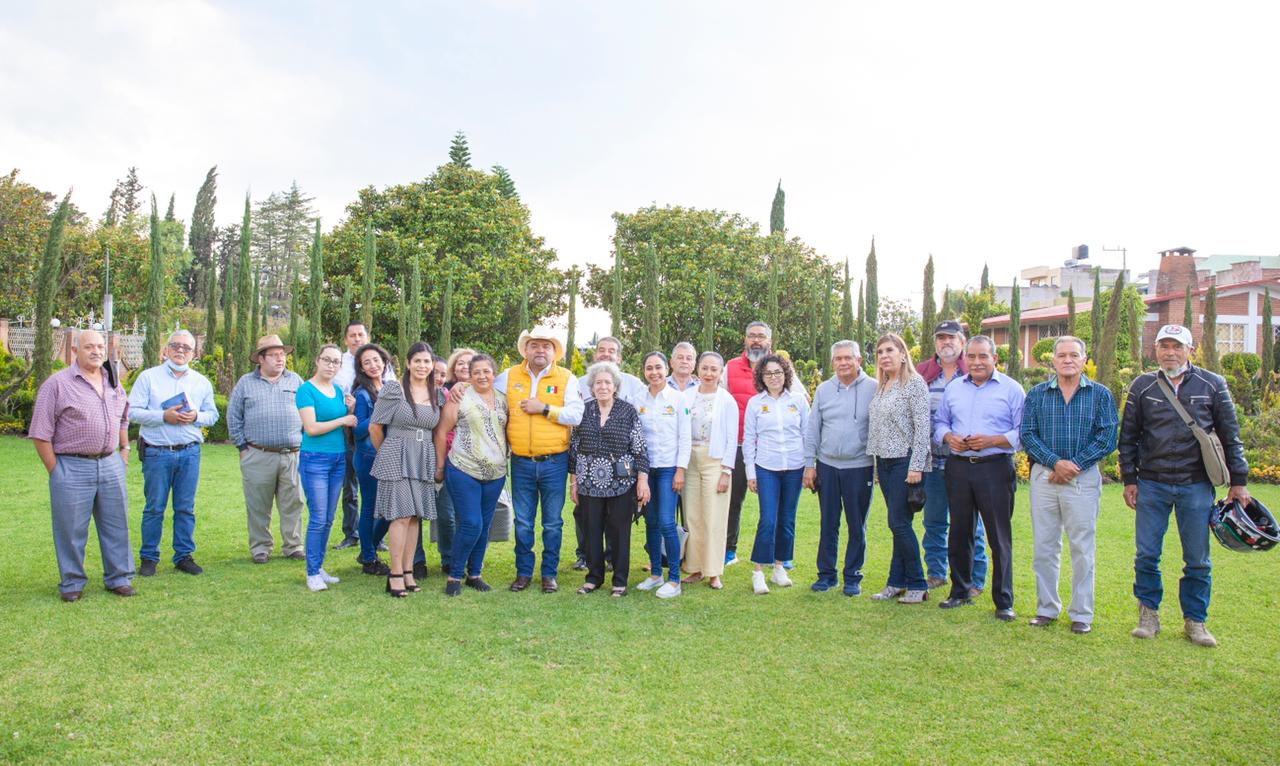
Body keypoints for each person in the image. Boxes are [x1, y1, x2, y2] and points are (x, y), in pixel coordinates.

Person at [1119, 324, 1249, 648]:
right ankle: (1148, 615)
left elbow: (1231, 436)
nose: (1170, 352)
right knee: (1147, 555)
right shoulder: (1143, 386)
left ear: (1191, 350)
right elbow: (1128, 438)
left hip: (1196, 485)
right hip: (1152, 484)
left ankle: (1195, 621)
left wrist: (1239, 482)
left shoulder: (1212, 384)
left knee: (1198, 559)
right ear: (1156, 350)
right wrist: (1129, 480)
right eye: (1164, 346)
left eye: (1177, 346)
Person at [1021, 336, 1117, 635]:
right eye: (1061, 355)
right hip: (1045, 477)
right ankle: (1046, 608)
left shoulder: (1099, 395)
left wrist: (1073, 465)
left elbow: (1107, 436)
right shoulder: (1037, 394)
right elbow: (1028, 433)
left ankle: (1081, 614)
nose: (1067, 360)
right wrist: (1054, 462)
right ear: (1053, 360)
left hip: (1083, 477)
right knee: (1044, 547)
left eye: (1073, 355)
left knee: (1082, 547)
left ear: (1084, 358)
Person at [30, 329, 135, 602]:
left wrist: (124, 449)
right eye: (89, 347)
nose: (97, 351)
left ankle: (119, 578)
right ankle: (72, 583)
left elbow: (124, 416)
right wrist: (56, 469)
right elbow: (41, 433)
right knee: (71, 529)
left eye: (100, 346)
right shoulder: (57, 385)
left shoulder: (113, 381)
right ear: (75, 351)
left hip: (110, 464)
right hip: (72, 466)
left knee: (117, 525)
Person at [934, 335, 1025, 620]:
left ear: (995, 358)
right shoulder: (954, 389)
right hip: (959, 466)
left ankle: (1003, 600)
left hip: (995, 467)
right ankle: (959, 591)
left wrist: (993, 441)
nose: (976, 362)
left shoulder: (1012, 389)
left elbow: (1023, 432)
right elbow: (940, 422)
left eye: (983, 356)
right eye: (971, 356)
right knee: (959, 532)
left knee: (998, 535)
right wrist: (949, 437)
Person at [128, 329, 219, 577]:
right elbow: (132, 412)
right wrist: (162, 416)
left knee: (185, 508)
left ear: (194, 352)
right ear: (166, 349)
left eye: (186, 348)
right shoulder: (148, 378)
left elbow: (213, 415)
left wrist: (196, 416)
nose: (180, 351)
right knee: (154, 507)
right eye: (175, 346)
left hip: (189, 453)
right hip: (157, 452)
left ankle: (183, 556)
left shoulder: (201, 382)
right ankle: (149, 557)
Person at [721, 321, 809, 568]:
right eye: (752, 336)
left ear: (770, 342)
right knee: (734, 501)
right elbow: (718, 399)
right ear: (745, 339)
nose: (756, 340)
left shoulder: (781, 368)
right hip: (739, 445)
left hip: (778, 449)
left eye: (761, 336)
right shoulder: (730, 368)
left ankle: (782, 555)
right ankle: (729, 550)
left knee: (780, 508)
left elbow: (801, 397)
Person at [916, 320, 988, 595]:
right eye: (941, 338)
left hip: (966, 461)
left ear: (962, 341)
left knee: (971, 524)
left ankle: (975, 578)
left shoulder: (973, 371)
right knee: (933, 521)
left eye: (951, 338)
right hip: (933, 461)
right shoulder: (924, 373)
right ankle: (935, 572)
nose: (946, 343)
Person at [569, 362, 650, 596]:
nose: (602, 386)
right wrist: (573, 482)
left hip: (621, 483)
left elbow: (639, 448)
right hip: (588, 483)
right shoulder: (583, 410)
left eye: (607, 382)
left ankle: (620, 580)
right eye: (598, 383)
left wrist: (642, 480)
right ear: (591, 387)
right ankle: (593, 577)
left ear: (615, 386)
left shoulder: (627, 410)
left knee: (619, 531)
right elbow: (574, 449)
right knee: (591, 529)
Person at [804, 340, 877, 596]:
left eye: (848, 358)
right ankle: (826, 575)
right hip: (827, 466)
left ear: (859, 360)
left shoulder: (874, 388)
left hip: (860, 467)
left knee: (857, 525)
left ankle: (852, 577)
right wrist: (809, 465)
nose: (843, 363)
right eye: (838, 359)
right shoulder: (824, 390)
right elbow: (813, 429)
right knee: (829, 524)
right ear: (832, 362)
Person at [865, 334, 932, 604]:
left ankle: (918, 582)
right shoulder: (882, 386)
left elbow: (922, 428)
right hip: (885, 461)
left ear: (903, 354)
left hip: (906, 461)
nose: (884, 356)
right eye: (880, 351)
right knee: (898, 524)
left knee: (899, 523)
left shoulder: (914, 384)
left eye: (889, 350)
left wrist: (915, 467)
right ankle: (896, 581)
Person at [228, 335, 307, 564]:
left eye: (282, 354)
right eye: (274, 355)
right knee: (258, 505)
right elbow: (234, 416)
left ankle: (293, 545)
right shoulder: (246, 382)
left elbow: (307, 413)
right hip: (258, 454)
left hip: (292, 454)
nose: (280, 359)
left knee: (293, 502)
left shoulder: (296, 381)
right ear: (260, 359)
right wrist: (242, 447)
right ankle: (260, 547)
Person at [435, 353, 508, 596]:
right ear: (469, 374)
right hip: (463, 468)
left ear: (493, 374)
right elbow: (442, 431)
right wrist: (439, 466)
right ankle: (455, 575)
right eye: (476, 371)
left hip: (495, 473)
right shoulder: (459, 396)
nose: (481, 375)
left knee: (485, 524)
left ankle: (474, 574)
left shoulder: (502, 399)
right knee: (471, 522)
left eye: (486, 371)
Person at [370, 342, 439, 597]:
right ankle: (395, 574)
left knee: (413, 517)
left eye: (427, 362)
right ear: (408, 363)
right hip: (396, 455)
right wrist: (387, 454)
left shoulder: (437, 394)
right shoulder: (394, 390)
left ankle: (408, 572)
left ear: (432, 365)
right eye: (417, 361)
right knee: (399, 516)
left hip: (423, 457)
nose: (422, 366)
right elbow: (375, 428)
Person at [742, 354, 810, 594]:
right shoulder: (755, 403)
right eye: (768, 373)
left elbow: (807, 435)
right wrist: (751, 472)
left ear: (786, 374)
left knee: (787, 520)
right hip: (766, 468)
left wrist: (809, 467)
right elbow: (749, 440)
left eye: (778, 372)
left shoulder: (799, 401)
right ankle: (758, 572)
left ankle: (780, 567)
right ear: (761, 376)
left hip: (794, 466)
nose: (773, 377)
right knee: (768, 519)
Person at [296, 344, 357, 592]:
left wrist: (349, 409)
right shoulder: (306, 390)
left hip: (338, 458)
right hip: (314, 459)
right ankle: (311, 573)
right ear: (317, 361)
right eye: (327, 360)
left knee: (329, 518)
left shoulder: (338, 390)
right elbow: (311, 428)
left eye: (335, 362)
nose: (331, 365)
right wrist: (344, 418)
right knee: (319, 517)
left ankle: (318, 566)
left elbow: (344, 419)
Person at [634, 351, 691, 599]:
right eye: (649, 368)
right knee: (651, 522)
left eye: (658, 367)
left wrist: (680, 470)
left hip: (669, 469)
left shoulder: (678, 400)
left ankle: (675, 579)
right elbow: (635, 439)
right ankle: (656, 574)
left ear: (666, 369)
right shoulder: (638, 400)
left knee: (667, 522)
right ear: (644, 372)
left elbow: (684, 438)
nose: (654, 372)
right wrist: (639, 475)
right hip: (647, 470)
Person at [680, 352, 738, 590]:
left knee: (713, 516)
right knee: (692, 516)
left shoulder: (726, 400)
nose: (709, 373)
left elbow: (732, 438)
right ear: (698, 370)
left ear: (720, 372)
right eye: (705, 368)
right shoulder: (686, 397)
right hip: (689, 460)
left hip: (715, 461)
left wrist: (726, 471)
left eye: (714, 369)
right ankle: (694, 567)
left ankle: (714, 571)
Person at [332, 321, 382, 550]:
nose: (356, 338)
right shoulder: (339, 364)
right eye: (352, 335)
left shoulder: (381, 367)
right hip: (349, 433)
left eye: (360, 334)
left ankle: (374, 537)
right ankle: (352, 534)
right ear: (346, 339)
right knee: (350, 487)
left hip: (380, 443)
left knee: (375, 495)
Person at [351, 343, 393, 575]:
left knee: (391, 509)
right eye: (367, 362)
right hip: (368, 457)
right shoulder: (362, 394)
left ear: (384, 361)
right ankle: (368, 558)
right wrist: (381, 412)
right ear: (361, 368)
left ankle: (367, 548)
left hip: (389, 455)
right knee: (370, 509)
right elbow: (357, 431)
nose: (373, 365)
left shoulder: (389, 387)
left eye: (376, 360)